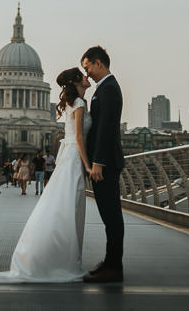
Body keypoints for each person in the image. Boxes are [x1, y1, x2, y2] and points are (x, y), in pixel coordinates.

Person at [0, 68, 92, 283]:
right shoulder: (79, 104)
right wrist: (89, 166)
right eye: (84, 74)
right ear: (76, 80)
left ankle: (53, 257)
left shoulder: (74, 104)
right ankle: (65, 258)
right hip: (73, 158)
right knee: (69, 206)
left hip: (69, 158)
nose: (87, 76)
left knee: (60, 206)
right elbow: (79, 137)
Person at [81, 45, 124, 283]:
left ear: (99, 63)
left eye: (87, 67)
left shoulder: (108, 89)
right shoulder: (104, 88)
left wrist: (98, 162)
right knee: (109, 216)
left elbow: (105, 128)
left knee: (112, 215)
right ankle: (110, 262)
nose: (86, 74)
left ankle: (114, 267)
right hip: (104, 161)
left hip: (105, 163)